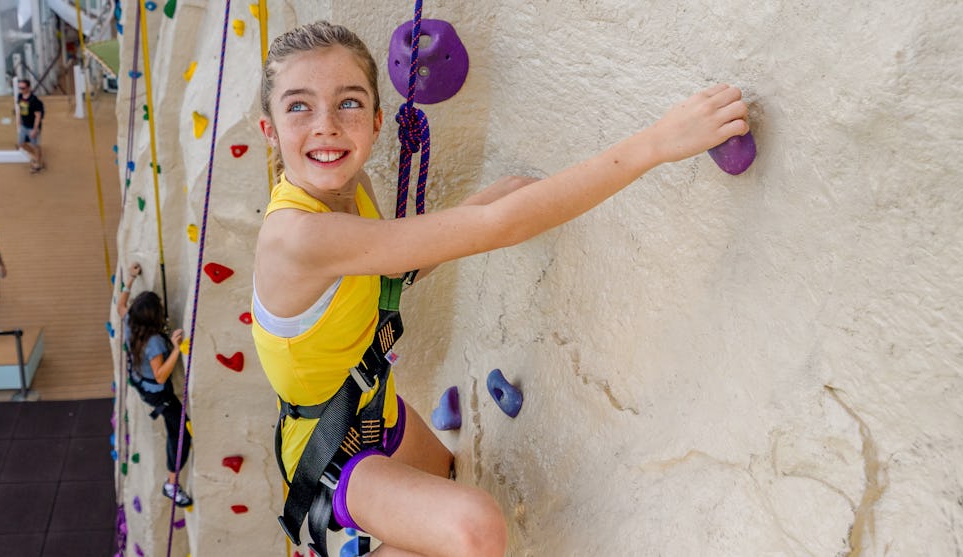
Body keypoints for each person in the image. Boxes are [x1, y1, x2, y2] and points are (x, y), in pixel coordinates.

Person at [248, 22, 749, 557]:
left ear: (375, 122)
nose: (326, 126)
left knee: (449, 476)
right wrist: (658, 143)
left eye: (347, 102)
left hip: (376, 409)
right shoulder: (297, 235)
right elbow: (501, 230)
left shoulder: (353, 189)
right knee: (474, 530)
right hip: (327, 452)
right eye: (299, 107)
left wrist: (480, 204)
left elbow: (393, 268)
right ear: (270, 131)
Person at [115, 262, 193, 506]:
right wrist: (177, 349)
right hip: (159, 392)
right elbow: (160, 375)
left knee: (177, 430)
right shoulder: (155, 343)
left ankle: (171, 481)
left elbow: (120, 305)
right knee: (181, 434)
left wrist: (130, 279)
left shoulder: (130, 322)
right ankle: (171, 483)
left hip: (141, 383)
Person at [15, 77, 46, 172]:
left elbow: (38, 116)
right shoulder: (20, 96)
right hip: (24, 125)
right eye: (19, 88)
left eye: (23, 88)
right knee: (21, 143)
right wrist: (19, 120)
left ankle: (39, 163)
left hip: (32, 126)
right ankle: (36, 156)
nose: (21, 90)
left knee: (35, 145)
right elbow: (20, 109)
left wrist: (35, 129)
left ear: (28, 88)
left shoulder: (34, 101)